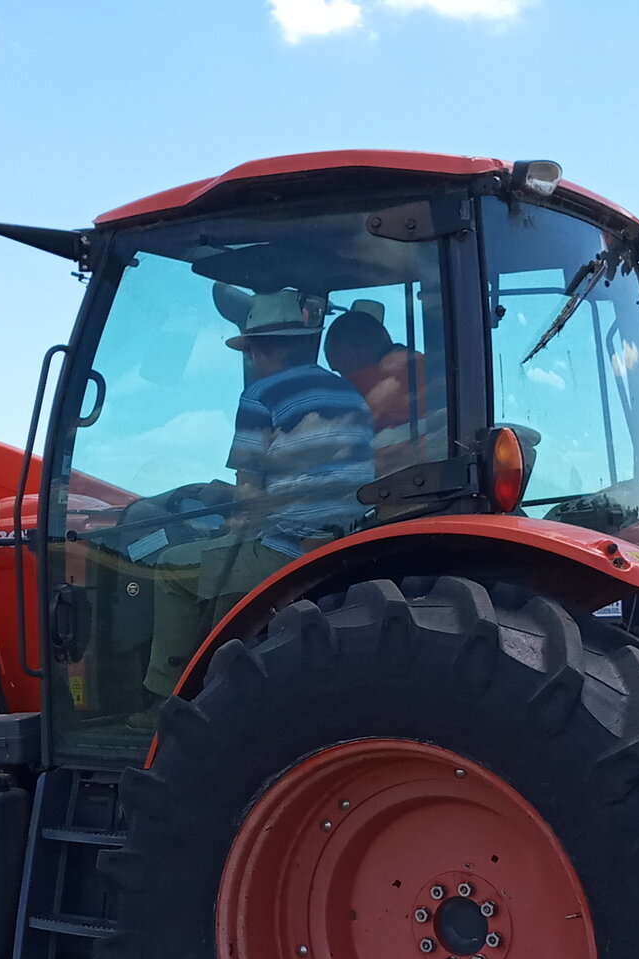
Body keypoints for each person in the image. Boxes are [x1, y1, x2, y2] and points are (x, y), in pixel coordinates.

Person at [141, 289, 373, 700]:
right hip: (345, 540)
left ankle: (162, 702)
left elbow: (247, 502)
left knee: (171, 569)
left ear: (257, 351)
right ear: (304, 343)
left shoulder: (259, 396)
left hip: (287, 549)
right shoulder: (349, 393)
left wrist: (219, 510)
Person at [325, 299, 434, 473]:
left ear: (348, 356)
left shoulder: (362, 386)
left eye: (339, 371)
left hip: (390, 485)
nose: (342, 378)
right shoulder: (430, 369)